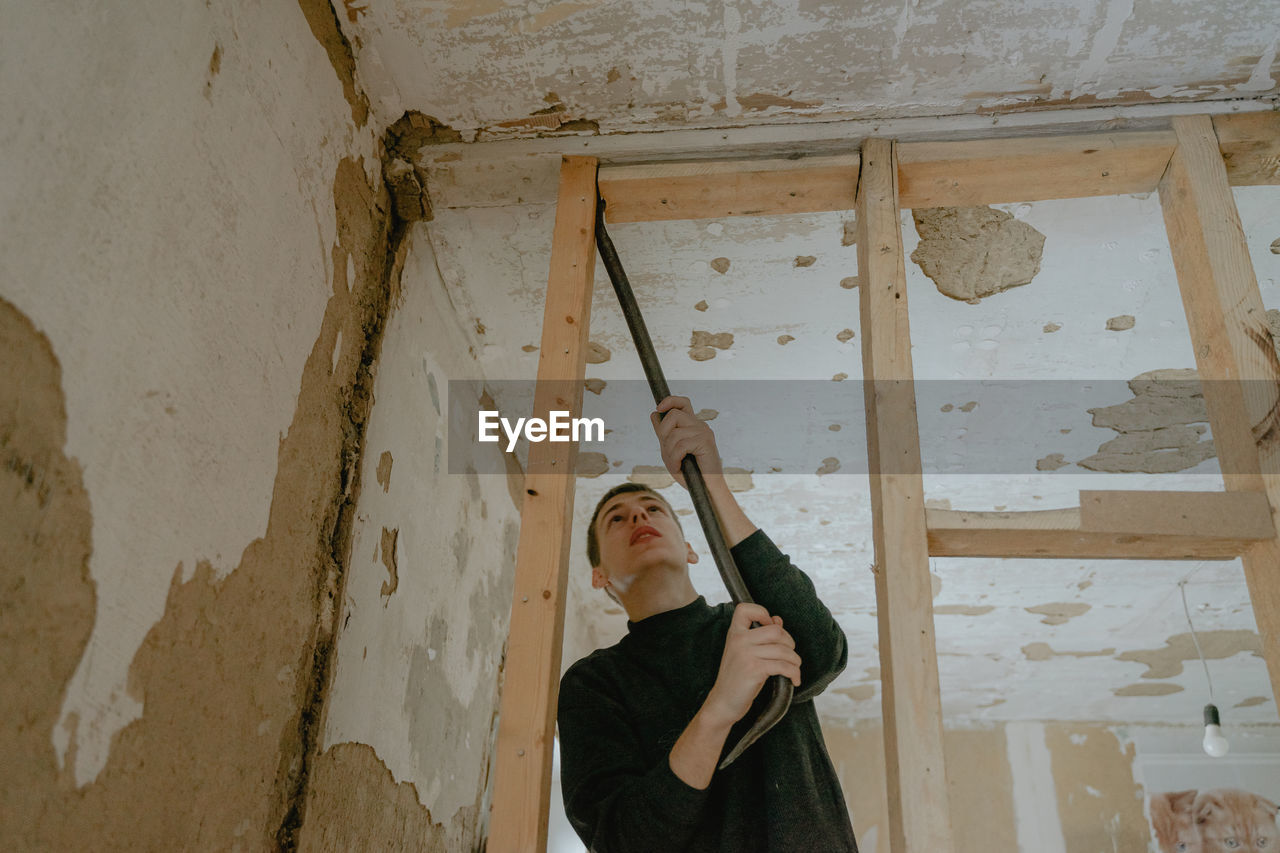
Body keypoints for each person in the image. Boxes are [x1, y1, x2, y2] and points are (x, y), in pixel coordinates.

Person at [557, 395, 859, 852]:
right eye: (616, 519)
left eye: (654, 508)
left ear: (691, 549)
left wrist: (711, 484)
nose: (638, 515)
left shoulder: (750, 621)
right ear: (599, 576)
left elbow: (822, 655)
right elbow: (622, 840)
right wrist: (720, 707)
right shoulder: (594, 683)